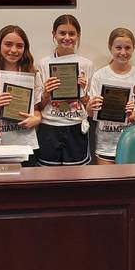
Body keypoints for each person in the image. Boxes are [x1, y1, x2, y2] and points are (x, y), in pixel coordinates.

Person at [36, 15, 93, 166]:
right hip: (49, 126)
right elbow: (39, 106)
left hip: (75, 126)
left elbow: (89, 106)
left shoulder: (87, 64)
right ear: (54, 34)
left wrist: (83, 93)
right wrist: (46, 93)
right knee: (47, 175)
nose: (67, 38)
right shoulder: (43, 64)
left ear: (78, 35)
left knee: (76, 176)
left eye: (72, 33)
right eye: (62, 33)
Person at [87, 28, 135, 164]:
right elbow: (91, 114)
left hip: (133, 143)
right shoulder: (99, 76)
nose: (123, 52)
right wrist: (89, 108)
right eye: (118, 48)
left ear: (133, 48)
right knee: (106, 185)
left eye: (128, 48)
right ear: (110, 48)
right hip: (105, 145)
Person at [0, 25, 43, 166]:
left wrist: (37, 119)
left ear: (25, 49)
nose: (14, 50)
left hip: (26, 143)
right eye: (8, 44)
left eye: (19, 46)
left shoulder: (33, 76)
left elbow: (36, 109)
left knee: (27, 186)